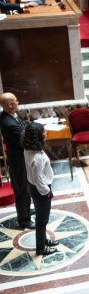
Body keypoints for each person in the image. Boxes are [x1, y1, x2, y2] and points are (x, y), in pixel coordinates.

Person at [22, 122, 58, 257]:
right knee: (42, 220)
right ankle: (41, 248)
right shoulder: (38, 157)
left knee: (40, 217)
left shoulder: (27, 149)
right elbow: (39, 179)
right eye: (43, 132)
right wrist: (46, 192)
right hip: (40, 190)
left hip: (32, 186)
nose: (46, 133)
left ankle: (43, 240)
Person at [0, 93, 34, 229]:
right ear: (9, 105)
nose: (18, 102)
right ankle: (24, 219)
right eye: (16, 101)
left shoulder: (11, 115)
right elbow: (24, 141)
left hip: (21, 157)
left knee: (27, 187)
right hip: (19, 161)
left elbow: (24, 127)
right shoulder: (8, 123)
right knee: (22, 189)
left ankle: (26, 210)